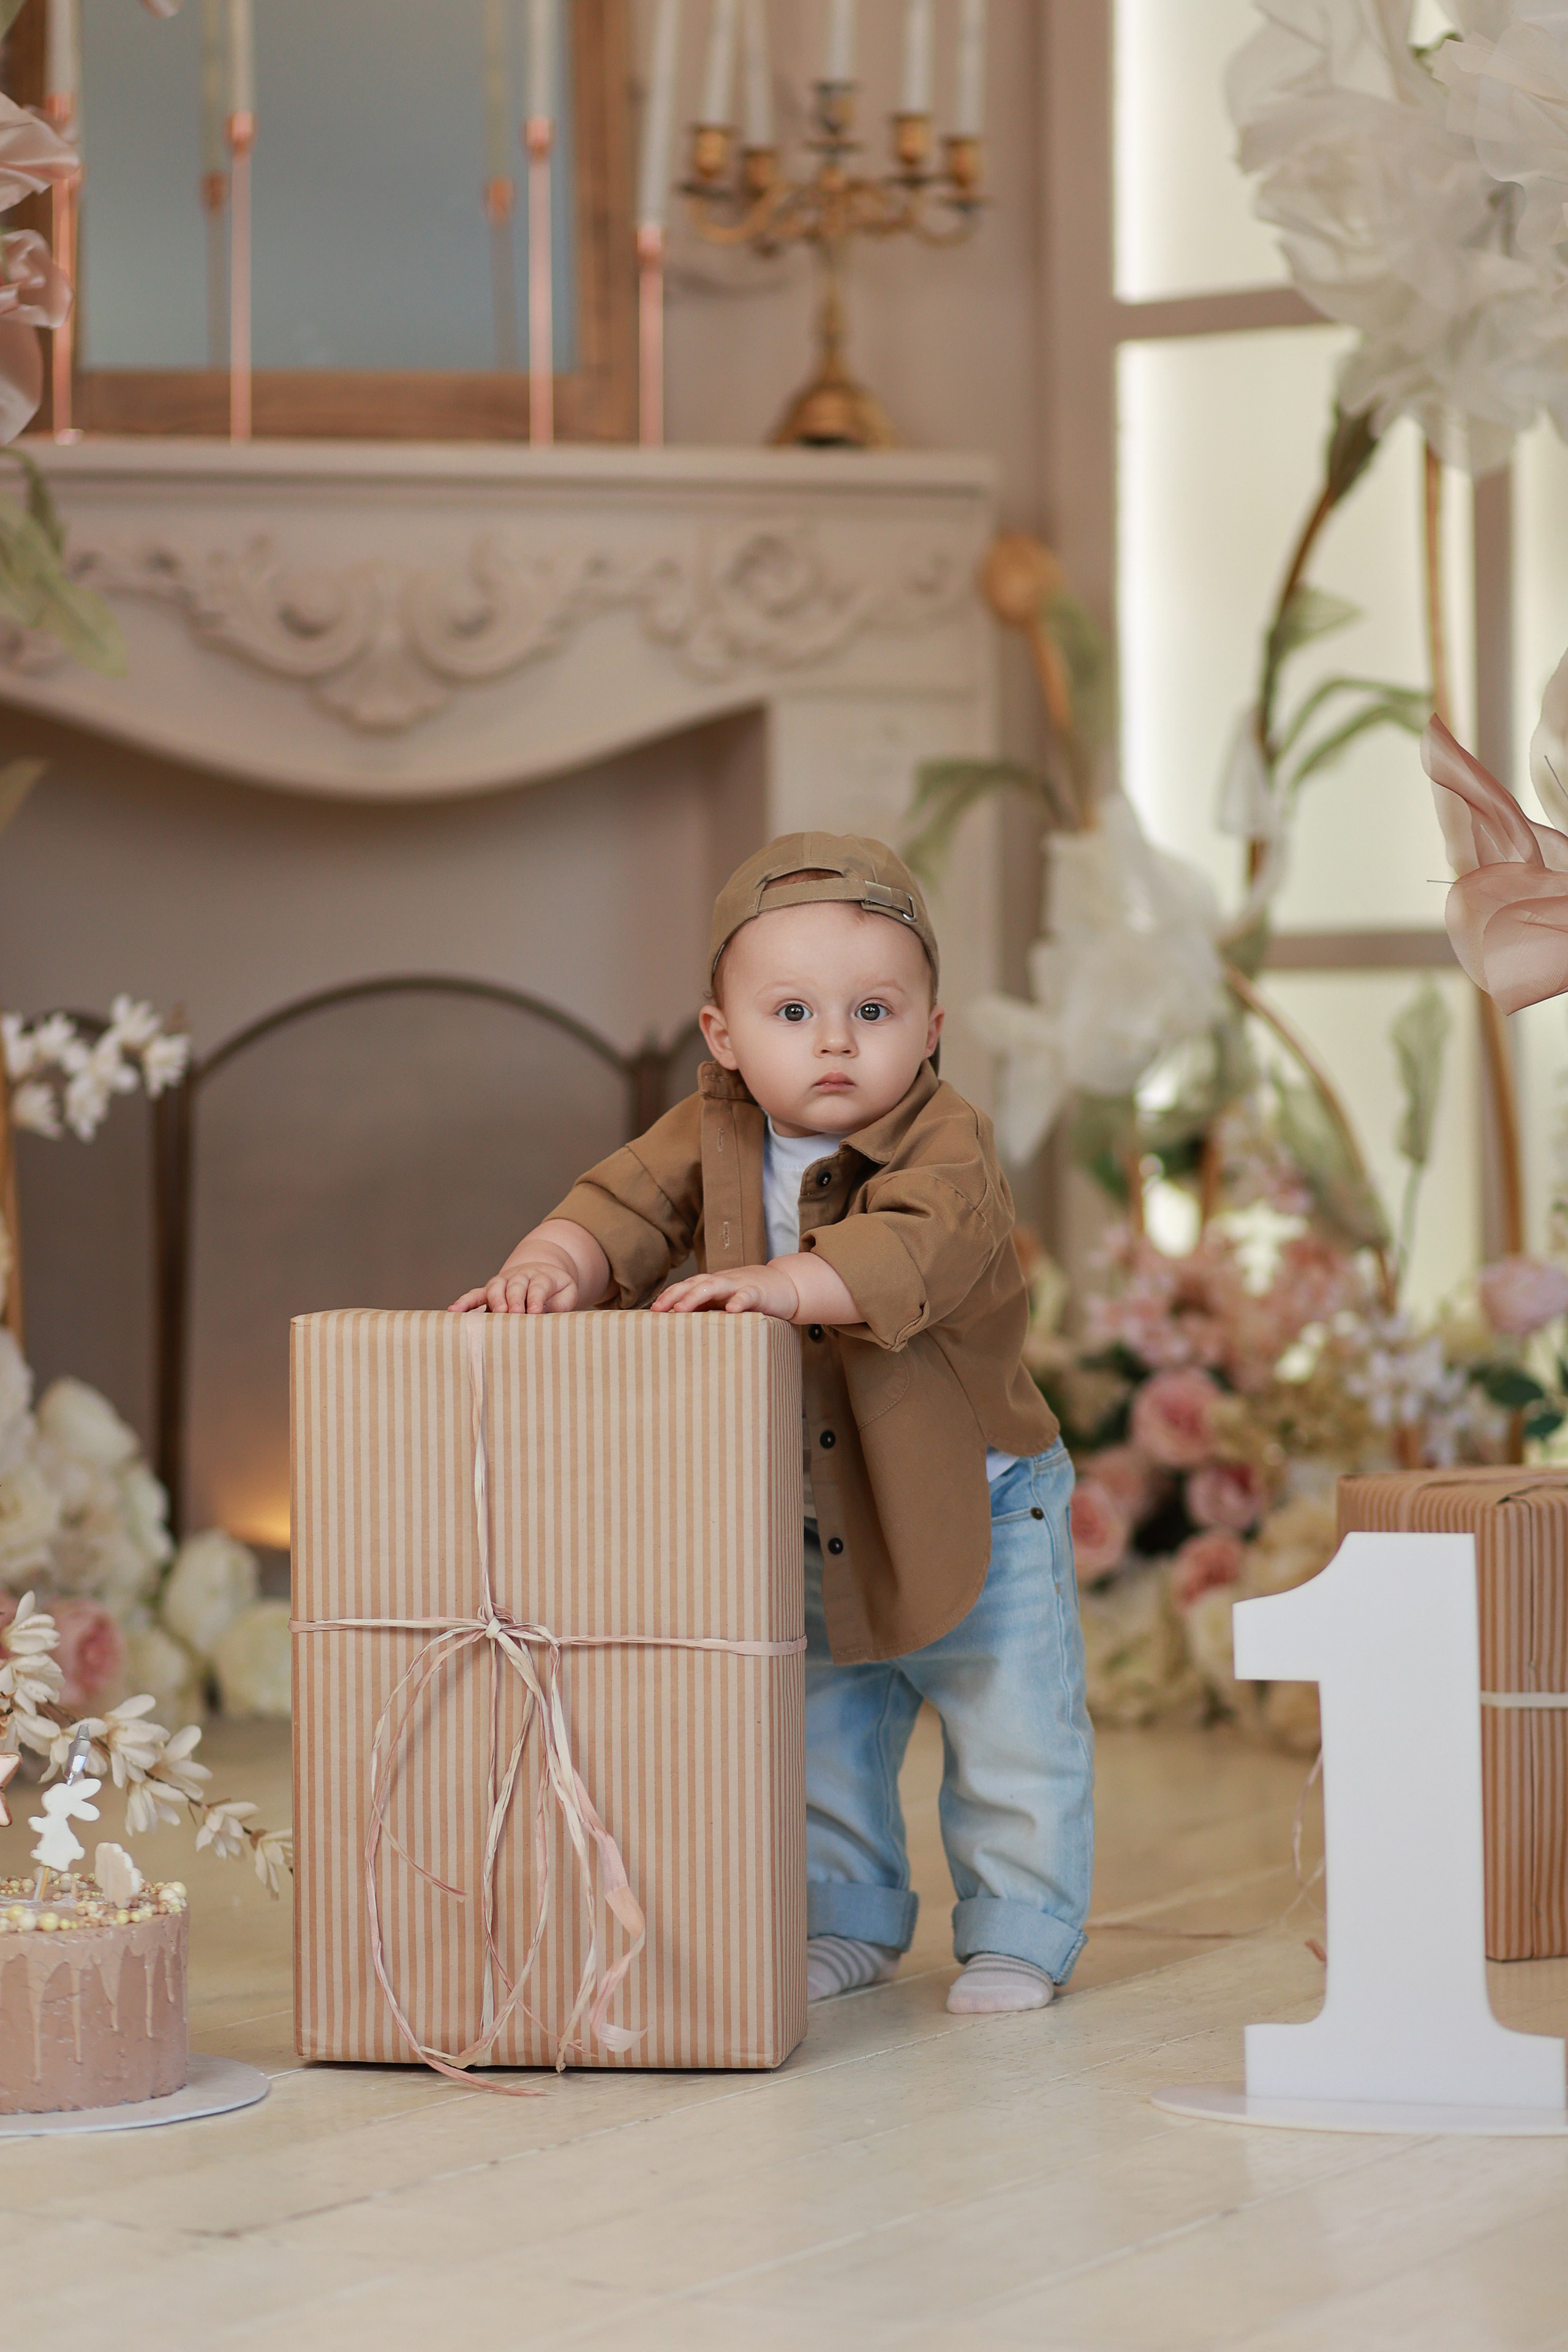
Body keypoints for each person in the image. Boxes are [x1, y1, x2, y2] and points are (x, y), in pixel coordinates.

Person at [453, 834, 1093, 2015]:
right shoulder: (709, 1133)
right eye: (794, 1012)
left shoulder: (949, 1142)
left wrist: (781, 1284)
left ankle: (1021, 1928)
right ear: (724, 1035)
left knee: (1011, 1725)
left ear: (931, 1029)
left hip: (982, 1499)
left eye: (872, 1011)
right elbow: (620, 1208)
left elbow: (915, 1246)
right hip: (815, 1509)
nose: (835, 1041)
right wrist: (551, 1264)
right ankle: (847, 1920)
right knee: (824, 1729)